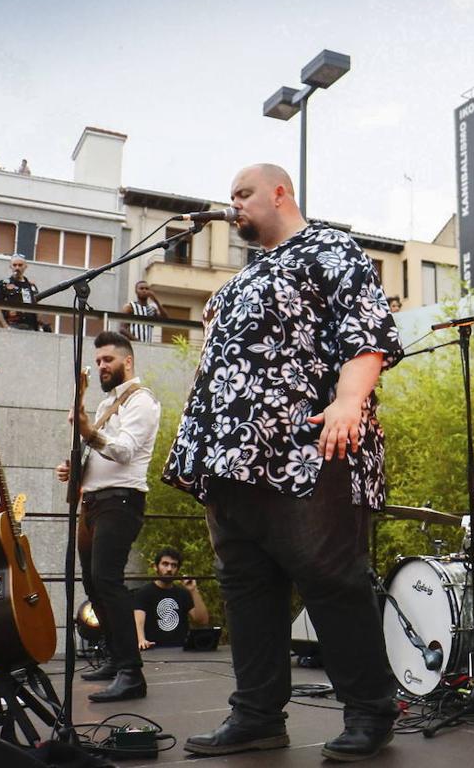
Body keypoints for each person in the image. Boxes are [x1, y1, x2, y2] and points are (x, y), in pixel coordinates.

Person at [162, 163, 402, 762]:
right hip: (231, 459)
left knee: (332, 579)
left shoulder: (328, 246)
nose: (234, 205)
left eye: (242, 194)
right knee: (245, 589)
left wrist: (350, 401)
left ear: (279, 193)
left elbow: (366, 332)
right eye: (230, 197)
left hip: (307, 446)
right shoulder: (247, 274)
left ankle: (370, 712)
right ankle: (257, 716)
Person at [55, 330, 161, 702]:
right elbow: (99, 453)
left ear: (127, 361)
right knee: (93, 582)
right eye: (98, 361)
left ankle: (132, 673)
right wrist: (76, 468)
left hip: (121, 501)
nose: (102, 366)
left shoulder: (141, 401)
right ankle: (117, 660)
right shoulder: (105, 406)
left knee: (107, 579)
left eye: (108, 360)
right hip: (95, 502)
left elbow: (125, 452)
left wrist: (88, 433)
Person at [133, 547, 209, 649]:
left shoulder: (183, 593)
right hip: (154, 651)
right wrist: (141, 640)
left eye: (174, 565)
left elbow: (202, 620)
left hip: (181, 650)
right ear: (156, 567)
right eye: (165, 564)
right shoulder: (143, 593)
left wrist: (193, 590)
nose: (169, 569)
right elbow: (139, 620)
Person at [0, 254, 45, 331]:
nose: (17, 268)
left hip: (31, 327)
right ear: (10, 266)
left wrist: (40, 325)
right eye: (14, 265)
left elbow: (37, 307)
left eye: (20, 265)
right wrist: (6, 327)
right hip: (13, 326)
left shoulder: (31, 286)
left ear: (25, 266)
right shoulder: (4, 285)